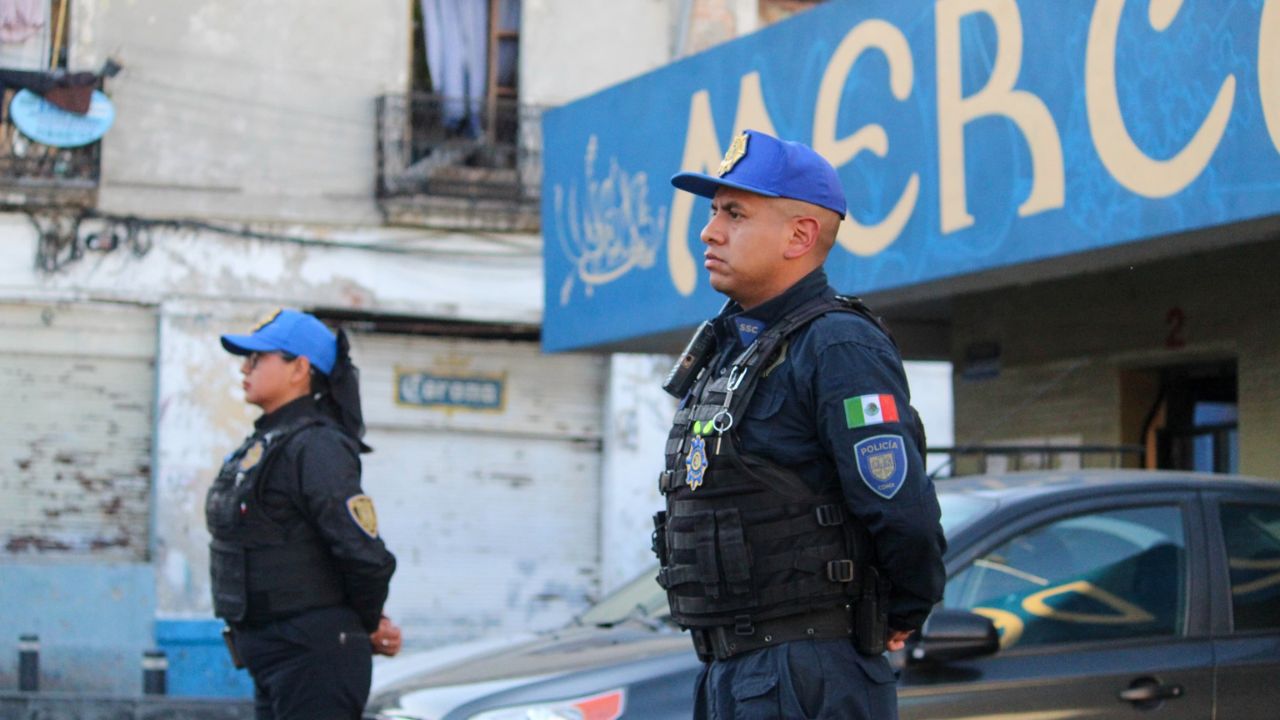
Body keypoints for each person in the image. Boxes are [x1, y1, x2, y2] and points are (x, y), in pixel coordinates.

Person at [654, 129, 946, 719]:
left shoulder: (837, 345)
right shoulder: (731, 348)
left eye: (735, 213)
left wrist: (904, 611)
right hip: (730, 667)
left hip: (808, 671)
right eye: (714, 212)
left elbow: (899, 508)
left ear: (800, 235)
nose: (709, 231)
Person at [206, 309, 401, 720]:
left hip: (313, 658)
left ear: (300, 368)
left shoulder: (318, 446)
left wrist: (366, 623)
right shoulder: (269, 440)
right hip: (275, 654)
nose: (246, 367)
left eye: (259, 358)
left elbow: (365, 555)